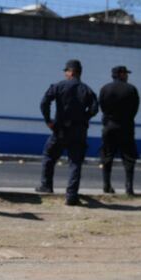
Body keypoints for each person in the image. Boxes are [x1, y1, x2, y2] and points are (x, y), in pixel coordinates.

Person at [36, 59, 99, 206]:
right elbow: (95, 109)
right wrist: (85, 118)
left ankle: (46, 186)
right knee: (75, 163)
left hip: (60, 129)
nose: (65, 74)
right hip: (79, 131)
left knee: (49, 156)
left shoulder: (59, 86)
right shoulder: (87, 90)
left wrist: (48, 120)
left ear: (71, 72)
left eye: (66, 71)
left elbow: (44, 102)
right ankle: (71, 196)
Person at [98, 65, 139, 195]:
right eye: (126, 73)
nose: (127, 76)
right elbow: (135, 108)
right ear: (121, 74)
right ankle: (129, 187)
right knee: (128, 157)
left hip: (109, 126)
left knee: (107, 155)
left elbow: (102, 106)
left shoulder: (105, 88)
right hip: (126, 126)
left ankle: (106, 185)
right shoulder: (131, 89)